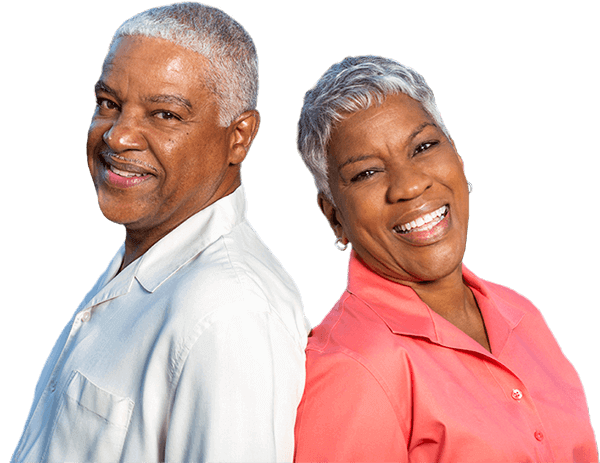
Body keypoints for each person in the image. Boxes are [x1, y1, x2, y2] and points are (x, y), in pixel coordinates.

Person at [11, 3, 310, 462]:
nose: (118, 137)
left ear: (240, 137)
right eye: (109, 104)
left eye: (165, 114)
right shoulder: (146, 250)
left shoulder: (230, 313)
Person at [293, 55, 597, 462]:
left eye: (423, 147)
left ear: (457, 156)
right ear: (334, 216)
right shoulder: (353, 367)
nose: (411, 185)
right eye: (367, 172)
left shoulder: (519, 312)